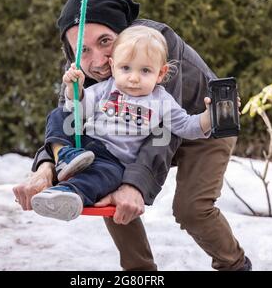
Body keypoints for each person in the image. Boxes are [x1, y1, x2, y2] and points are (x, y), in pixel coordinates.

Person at [13, 0, 251, 271]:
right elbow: (68, 120)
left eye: (105, 42)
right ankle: (140, 274)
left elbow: (165, 130)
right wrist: (45, 167)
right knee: (104, 180)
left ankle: (234, 265)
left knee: (191, 209)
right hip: (131, 130)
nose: (98, 62)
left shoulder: (158, 45)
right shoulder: (80, 69)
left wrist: (134, 185)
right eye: (83, 50)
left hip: (198, 126)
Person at [30, 26, 212, 221]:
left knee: (101, 178)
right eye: (125, 68)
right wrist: (75, 89)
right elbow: (79, 110)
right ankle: (64, 155)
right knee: (59, 115)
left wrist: (210, 116)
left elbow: (187, 126)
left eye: (145, 70)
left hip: (113, 160)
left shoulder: (161, 101)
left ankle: (66, 194)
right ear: (113, 65)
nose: (133, 78)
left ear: (160, 73)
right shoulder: (106, 88)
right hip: (84, 145)